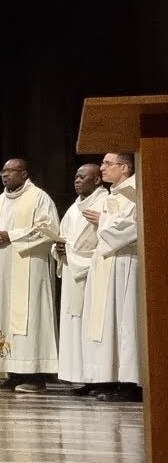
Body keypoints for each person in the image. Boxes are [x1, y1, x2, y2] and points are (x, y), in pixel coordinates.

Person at [0, 158, 60, 392]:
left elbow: (48, 230)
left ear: (24, 174)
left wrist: (11, 236)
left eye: (11, 171)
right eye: (3, 171)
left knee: (31, 318)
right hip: (4, 270)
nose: (5, 175)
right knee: (5, 318)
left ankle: (35, 376)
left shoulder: (39, 197)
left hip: (30, 269)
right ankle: (13, 374)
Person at [82, 153, 141, 402]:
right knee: (111, 322)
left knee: (127, 322)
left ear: (125, 168)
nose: (102, 168)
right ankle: (113, 378)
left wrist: (103, 220)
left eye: (108, 164)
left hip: (127, 261)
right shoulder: (112, 195)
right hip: (107, 263)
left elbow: (135, 226)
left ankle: (131, 383)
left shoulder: (136, 191)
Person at [54, 164, 106, 393]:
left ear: (97, 181)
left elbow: (105, 242)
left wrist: (72, 254)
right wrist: (59, 250)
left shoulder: (105, 203)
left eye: (82, 177)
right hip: (71, 274)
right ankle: (83, 377)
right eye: (75, 176)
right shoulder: (74, 209)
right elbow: (62, 237)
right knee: (75, 328)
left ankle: (100, 378)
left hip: (95, 275)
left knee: (93, 328)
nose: (76, 181)